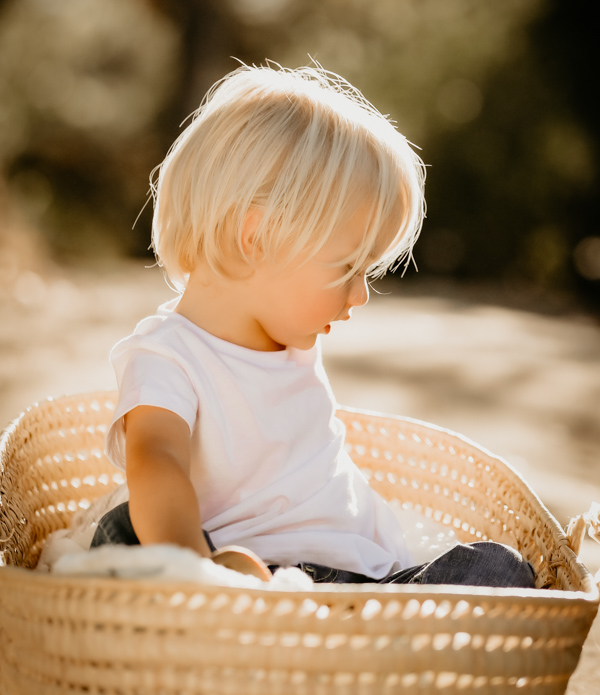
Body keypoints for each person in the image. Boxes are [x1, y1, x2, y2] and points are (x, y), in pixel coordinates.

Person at [91, 62, 535, 590]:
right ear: (254, 236)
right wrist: (197, 566)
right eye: (348, 267)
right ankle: (254, 623)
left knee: (499, 567)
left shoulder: (288, 342)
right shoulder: (169, 356)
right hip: (248, 573)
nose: (361, 293)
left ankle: (352, 640)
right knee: (124, 531)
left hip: (359, 584)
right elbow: (155, 463)